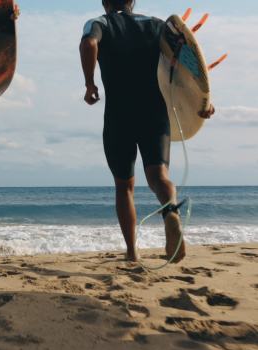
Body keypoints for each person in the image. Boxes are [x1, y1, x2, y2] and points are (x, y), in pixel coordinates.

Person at [79, 0, 215, 262]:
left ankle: (132, 253)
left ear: (105, 2)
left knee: (124, 186)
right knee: (158, 175)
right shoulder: (156, 25)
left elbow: (89, 43)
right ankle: (170, 213)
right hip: (155, 112)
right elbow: (187, 67)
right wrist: (203, 101)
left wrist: (89, 83)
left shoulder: (100, 23)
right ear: (133, 1)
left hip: (120, 114)